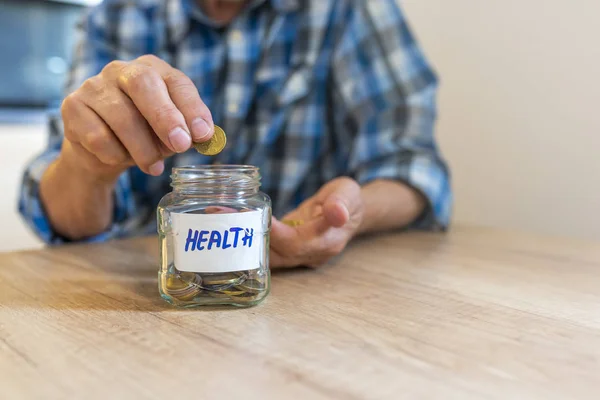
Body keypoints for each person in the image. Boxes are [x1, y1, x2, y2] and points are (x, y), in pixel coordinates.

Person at [18, 0, 452, 269]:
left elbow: (414, 168)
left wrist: (351, 211)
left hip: (308, 298)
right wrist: (87, 165)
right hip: (146, 294)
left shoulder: (347, 8)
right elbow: (57, 215)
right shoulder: (115, 16)